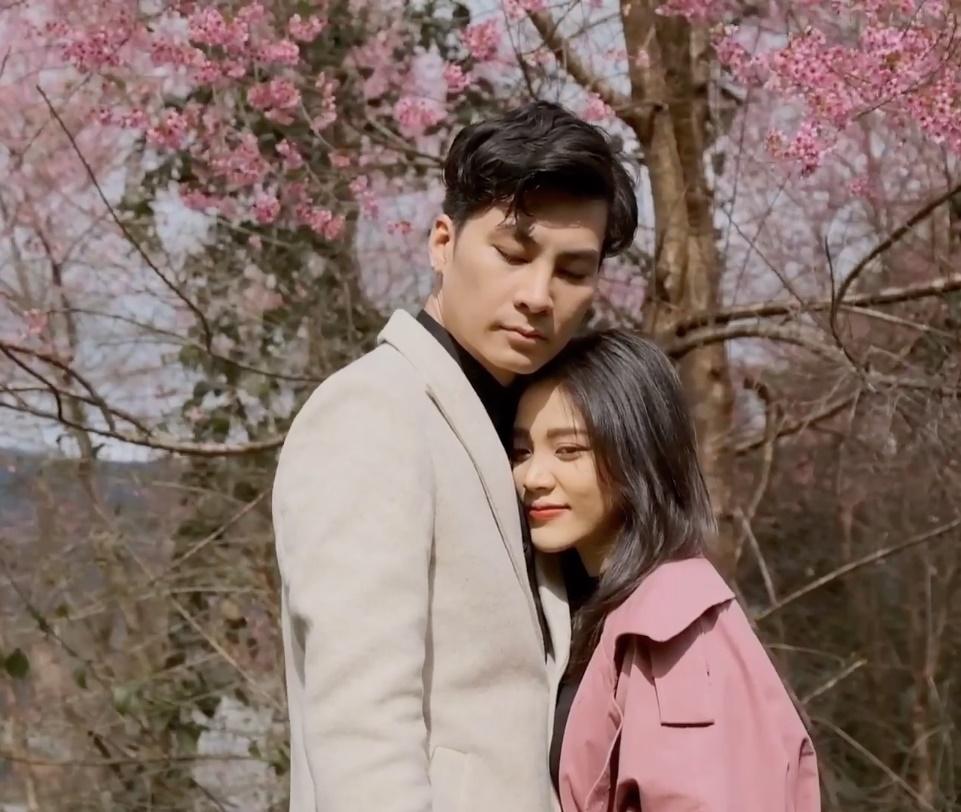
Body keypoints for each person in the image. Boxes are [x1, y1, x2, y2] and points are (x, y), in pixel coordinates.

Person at [271, 101, 638, 812]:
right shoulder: (373, 412)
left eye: (572, 271)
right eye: (513, 254)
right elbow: (363, 731)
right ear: (443, 242)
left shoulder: (522, 431)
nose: (538, 296)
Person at [511, 331, 821, 812]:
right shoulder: (594, 609)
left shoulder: (674, 628)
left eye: (568, 450)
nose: (533, 478)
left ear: (637, 452)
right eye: (522, 452)